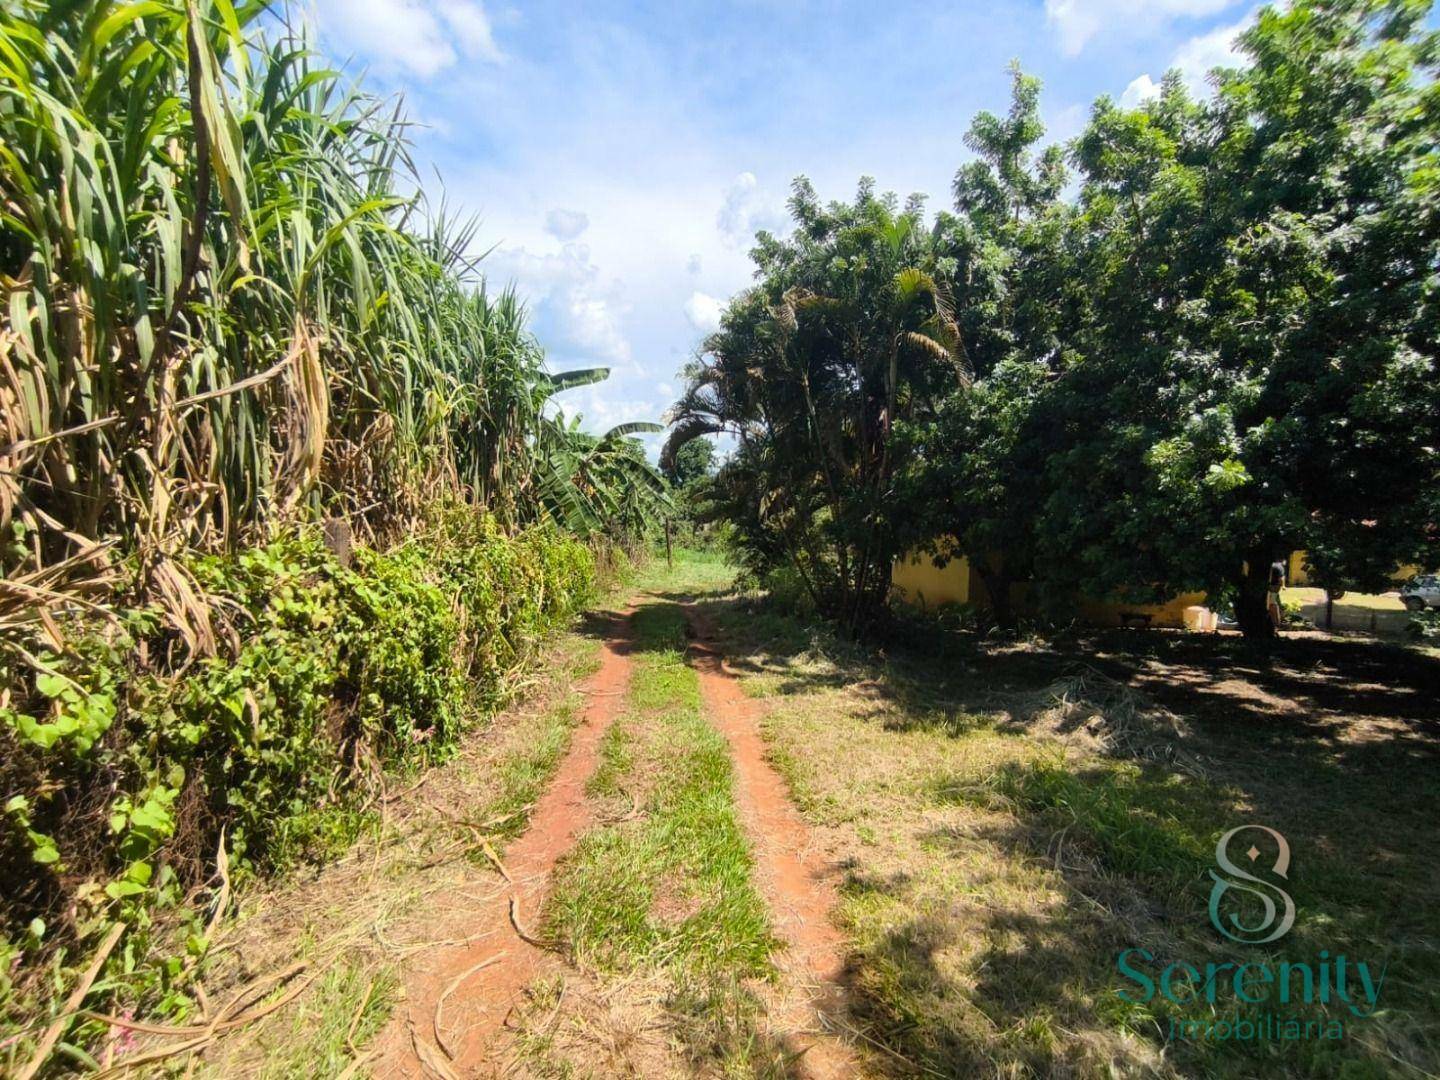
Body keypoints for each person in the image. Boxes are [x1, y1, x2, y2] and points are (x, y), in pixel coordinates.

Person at [1267, 560, 1287, 630]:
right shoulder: (1280, 567)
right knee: (1273, 605)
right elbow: (1281, 579)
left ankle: (1276, 625)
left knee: (1273, 605)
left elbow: (1281, 579)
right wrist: (1280, 587)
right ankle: (1276, 624)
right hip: (1273, 588)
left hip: (1271, 588)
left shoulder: (1273, 565)